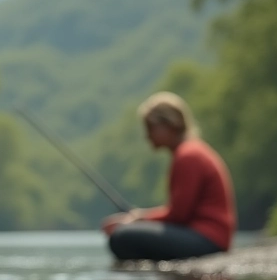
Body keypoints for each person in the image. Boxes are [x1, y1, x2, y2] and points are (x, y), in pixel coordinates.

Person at [101, 92, 236, 261]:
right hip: (208, 237)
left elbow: (178, 216)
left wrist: (138, 218)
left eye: (150, 128)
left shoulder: (188, 156)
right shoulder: (191, 151)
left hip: (208, 239)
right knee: (125, 234)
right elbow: (179, 214)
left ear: (169, 125)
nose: (147, 135)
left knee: (121, 237)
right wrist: (139, 218)